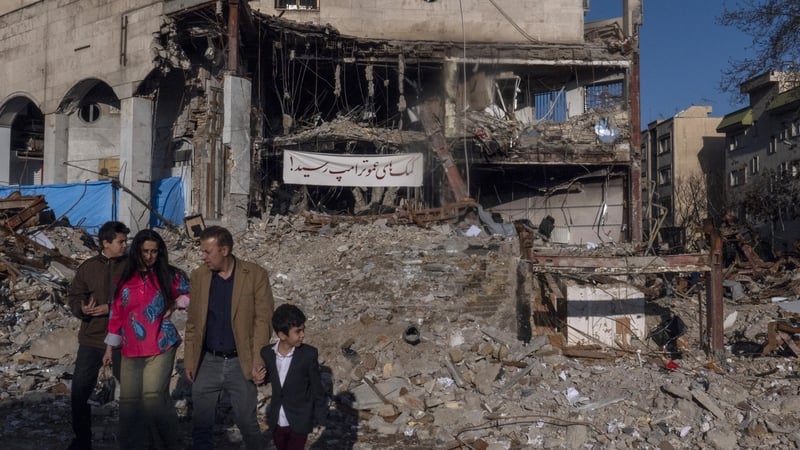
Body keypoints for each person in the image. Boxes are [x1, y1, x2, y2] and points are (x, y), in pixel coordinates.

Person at [184, 225, 274, 449]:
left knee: (247, 422)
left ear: (224, 250)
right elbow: (193, 322)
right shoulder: (199, 276)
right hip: (207, 361)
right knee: (201, 425)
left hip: (239, 361)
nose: (203, 256)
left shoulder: (254, 275)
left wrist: (258, 360)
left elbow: (263, 321)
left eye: (207, 251)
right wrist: (189, 359)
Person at [102, 229, 190, 449]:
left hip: (161, 342)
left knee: (152, 396)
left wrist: (176, 303)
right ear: (137, 252)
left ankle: (169, 443)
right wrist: (110, 348)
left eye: (154, 251)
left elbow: (190, 294)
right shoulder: (125, 279)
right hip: (131, 347)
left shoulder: (170, 275)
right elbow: (116, 314)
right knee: (129, 402)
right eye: (145, 251)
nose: (149, 256)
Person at [67, 220, 129, 450]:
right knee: (80, 392)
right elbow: (74, 296)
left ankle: (133, 439)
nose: (124, 246)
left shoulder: (131, 267)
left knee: (131, 395)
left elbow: (137, 300)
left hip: (124, 341)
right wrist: (81, 308)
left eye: (125, 241)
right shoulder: (88, 267)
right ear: (106, 242)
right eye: (120, 241)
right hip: (92, 339)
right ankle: (82, 440)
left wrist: (110, 308)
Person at [260, 304, 325, 450]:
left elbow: (316, 387)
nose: (302, 335)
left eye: (303, 329)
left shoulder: (308, 354)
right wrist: (260, 378)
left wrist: (320, 415)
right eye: (298, 331)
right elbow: (270, 378)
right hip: (277, 419)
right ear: (282, 335)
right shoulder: (267, 353)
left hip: (300, 419)